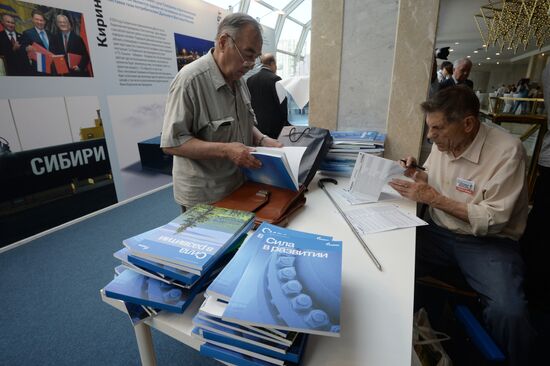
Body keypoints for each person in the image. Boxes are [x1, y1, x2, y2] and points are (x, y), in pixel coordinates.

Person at [389, 86, 535, 365]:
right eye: (429, 128)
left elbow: (494, 219)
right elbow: (433, 177)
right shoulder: (446, 142)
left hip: (488, 241)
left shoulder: (507, 152)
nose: (430, 136)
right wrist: (417, 173)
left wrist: (436, 199)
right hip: (438, 231)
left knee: (510, 312)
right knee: (387, 262)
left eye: (438, 129)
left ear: (468, 124)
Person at [160, 13, 282, 211]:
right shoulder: (190, 81)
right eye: (248, 55)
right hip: (205, 197)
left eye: (255, 58)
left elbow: (243, 121)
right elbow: (172, 143)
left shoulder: (239, 80)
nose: (251, 64)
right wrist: (226, 150)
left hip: (238, 186)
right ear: (224, 42)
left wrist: (261, 139)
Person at [246, 53, 289, 139]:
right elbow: (283, 105)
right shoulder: (276, 79)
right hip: (275, 130)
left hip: (256, 129)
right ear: (272, 64)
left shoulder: (249, 80)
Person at [21, 9, 53, 75]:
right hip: (38, 69)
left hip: (52, 67)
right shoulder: (27, 33)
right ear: (33, 20)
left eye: (41, 20)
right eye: (37, 19)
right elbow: (22, 48)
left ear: (45, 21)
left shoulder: (50, 34)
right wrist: (26, 48)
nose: (39, 22)